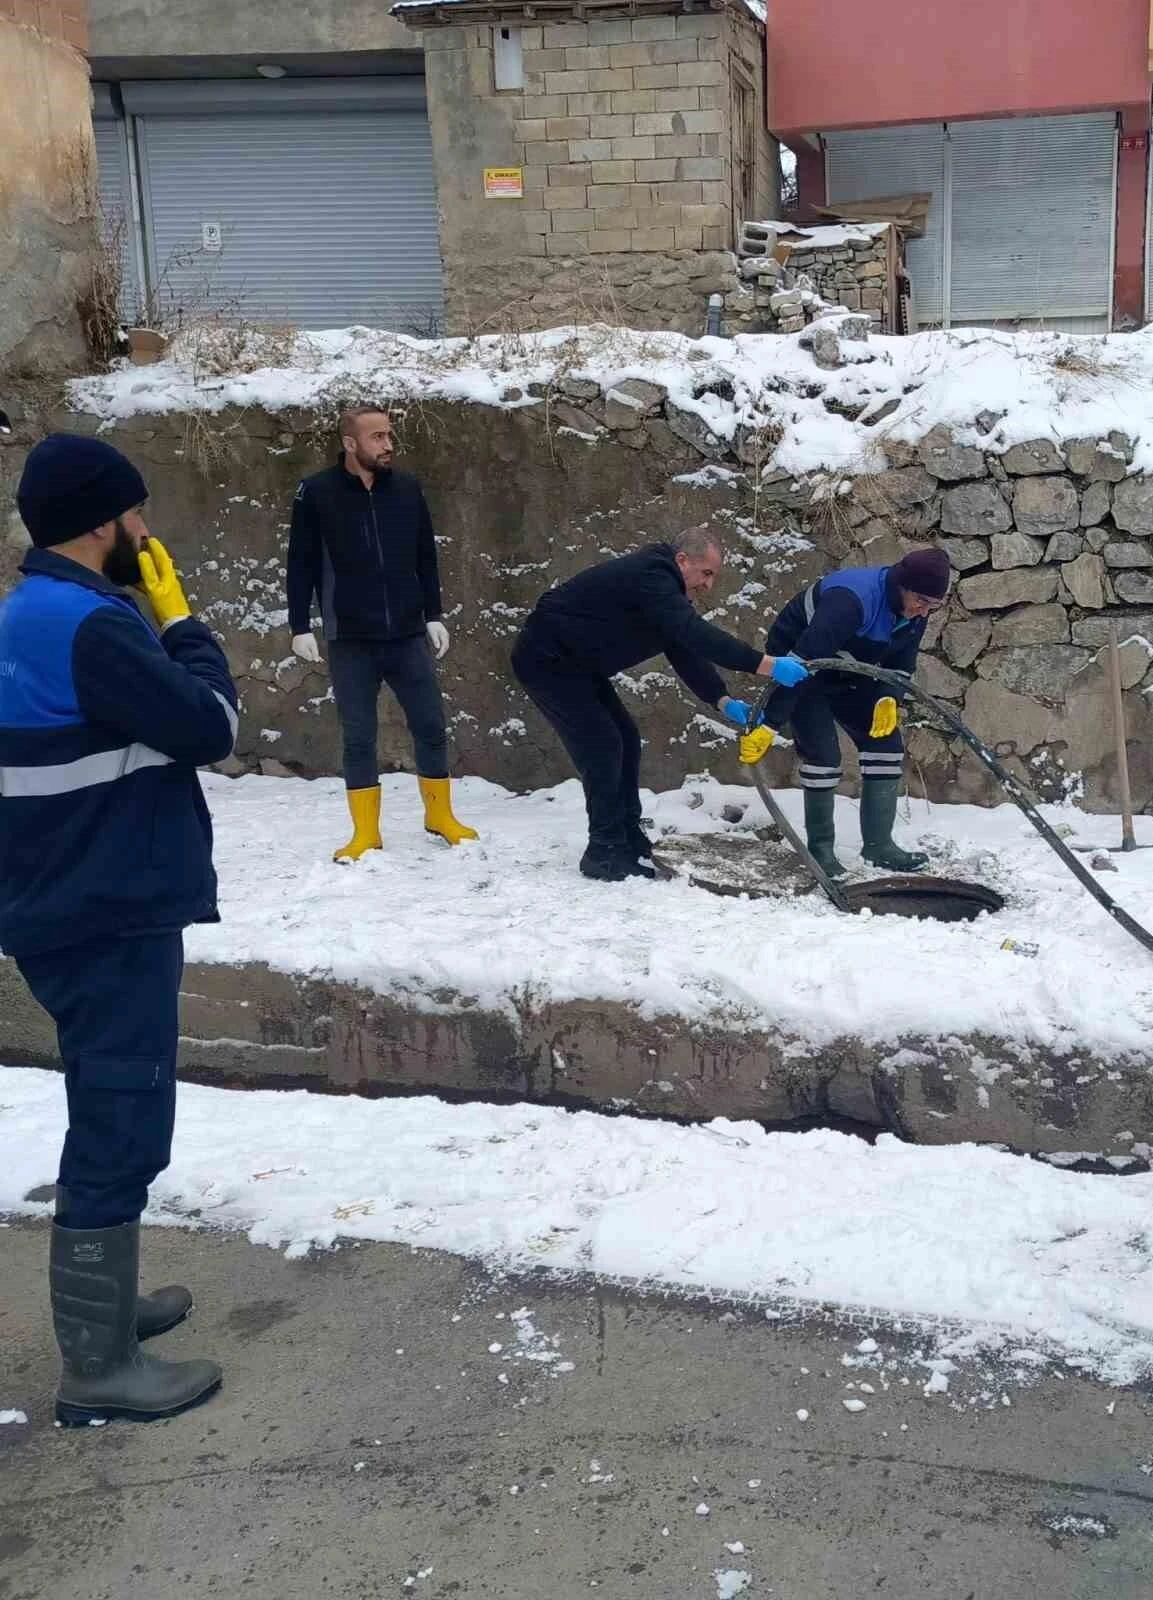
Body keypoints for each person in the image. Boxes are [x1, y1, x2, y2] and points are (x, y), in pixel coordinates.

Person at [1, 434, 239, 1424]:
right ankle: (96, 1365)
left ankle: (110, 1308)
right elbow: (214, 725)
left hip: (62, 901)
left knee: (114, 1101)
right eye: (134, 513)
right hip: (107, 908)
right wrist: (178, 615)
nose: (145, 527)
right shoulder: (96, 628)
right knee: (121, 1117)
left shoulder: (27, 613)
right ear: (106, 522)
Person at [512, 528, 809, 881]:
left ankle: (627, 838)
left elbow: (684, 650)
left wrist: (722, 699)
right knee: (603, 746)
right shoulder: (651, 576)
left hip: (577, 667)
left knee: (625, 737)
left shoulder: (663, 593)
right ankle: (603, 850)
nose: (708, 585)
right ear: (682, 560)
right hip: (548, 661)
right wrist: (768, 665)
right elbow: (696, 634)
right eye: (707, 573)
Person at [285, 404, 476, 862]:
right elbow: (301, 562)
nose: (388, 445)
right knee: (358, 736)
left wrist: (434, 613)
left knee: (430, 725)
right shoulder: (316, 492)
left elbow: (425, 555)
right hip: (350, 638)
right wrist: (299, 625)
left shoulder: (407, 488)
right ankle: (365, 832)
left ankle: (439, 816)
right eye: (377, 437)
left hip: (407, 634)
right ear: (350, 444)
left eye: (389, 436)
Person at [740, 547, 951, 878]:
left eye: (933, 606)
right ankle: (821, 850)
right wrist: (770, 722)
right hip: (799, 666)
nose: (924, 611)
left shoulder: (915, 614)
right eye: (921, 601)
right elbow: (801, 662)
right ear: (902, 586)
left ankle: (880, 847)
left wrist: (888, 699)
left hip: (849, 669)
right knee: (823, 756)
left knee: (886, 746)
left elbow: (900, 665)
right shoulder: (852, 600)